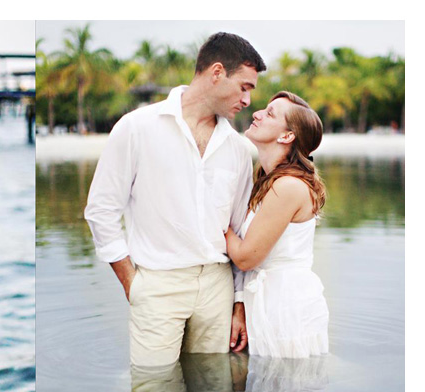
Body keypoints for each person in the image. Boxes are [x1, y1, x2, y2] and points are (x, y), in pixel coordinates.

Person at [84, 32, 266, 367]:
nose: (247, 101)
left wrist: (239, 303)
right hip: (156, 284)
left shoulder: (240, 149)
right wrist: (132, 284)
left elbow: (239, 228)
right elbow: (100, 210)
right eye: (244, 87)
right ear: (216, 73)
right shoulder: (136, 128)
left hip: (217, 286)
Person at [225, 91, 329, 357]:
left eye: (270, 113)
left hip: (285, 306)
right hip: (268, 299)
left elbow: (246, 257)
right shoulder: (268, 180)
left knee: (286, 391)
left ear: (287, 136)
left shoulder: (288, 187)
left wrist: (218, 220)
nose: (257, 114)